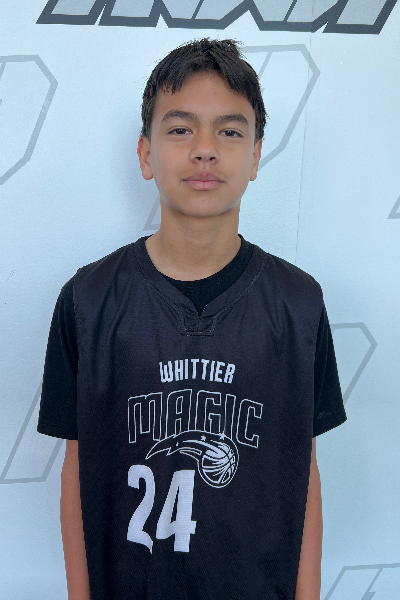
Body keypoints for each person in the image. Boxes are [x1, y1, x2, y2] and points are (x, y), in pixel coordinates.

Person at [37, 38, 347, 600]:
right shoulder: (87, 302)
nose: (205, 150)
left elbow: (302, 471)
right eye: (180, 129)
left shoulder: (298, 304)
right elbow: (77, 472)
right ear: (146, 154)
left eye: (229, 132)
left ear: (255, 157)